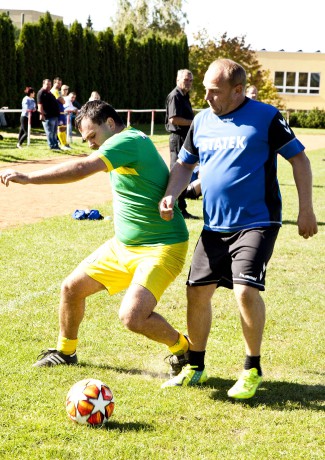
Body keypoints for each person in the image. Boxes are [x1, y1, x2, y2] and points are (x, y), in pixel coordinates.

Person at [159, 58, 318, 398]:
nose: (206, 97)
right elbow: (185, 166)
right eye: (205, 90)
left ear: (238, 90)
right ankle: (196, 366)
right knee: (196, 291)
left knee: (246, 289)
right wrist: (172, 195)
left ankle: (251, 368)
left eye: (214, 92)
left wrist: (306, 209)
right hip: (215, 224)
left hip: (257, 221)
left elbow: (300, 159)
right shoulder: (201, 121)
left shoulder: (265, 117)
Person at [0, 100, 190, 375]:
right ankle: (65, 352)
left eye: (92, 135)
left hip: (161, 247)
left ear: (110, 124)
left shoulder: (127, 141)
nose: (90, 143)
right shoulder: (121, 143)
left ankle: (183, 348)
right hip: (123, 246)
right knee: (71, 289)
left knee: (132, 317)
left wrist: (28, 177)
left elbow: (81, 169)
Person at [165, 69, 197, 219]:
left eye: (190, 80)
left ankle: (181, 208)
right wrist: (194, 122)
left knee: (186, 171)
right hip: (178, 138)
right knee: (178, 171)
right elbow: (174, 119)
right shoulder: (175, 96)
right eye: (186, 80)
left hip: (185, 138)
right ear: (178, 80)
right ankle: (176, 207)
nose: (189, 83)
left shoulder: (185, 96)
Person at [37, 79, 60, 150]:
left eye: (50, 84)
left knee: (54, 132)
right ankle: (52, 146)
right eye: (47, 84)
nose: (49, 86)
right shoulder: (41, 93)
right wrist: (41, 114)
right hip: (48, 116)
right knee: (50, 132)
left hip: (54, 116)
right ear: (43, 84)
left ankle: (56, 145)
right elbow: (40, 105)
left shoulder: (49, 92)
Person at [51, 77, 71, 150]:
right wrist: (62, 99)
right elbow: (62, 101)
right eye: (58, 83)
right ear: (54, 83)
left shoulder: (57, 91)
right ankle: (63, 144)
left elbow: (62, 100)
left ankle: (64, 143)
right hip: (58, 112)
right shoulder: (54, 91)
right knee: (61, 128)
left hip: (61, 112)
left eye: (60, 83)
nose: (59, 85)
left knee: (63, 128)